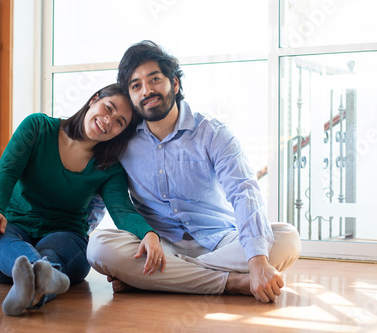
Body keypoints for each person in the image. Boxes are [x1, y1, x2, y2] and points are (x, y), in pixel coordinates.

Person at [87, 41, 301, 303]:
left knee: (287, 238)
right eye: (136, 86)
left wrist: (257, 261)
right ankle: (230, 282)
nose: (147, 91)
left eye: (155, 79)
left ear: (174, 84)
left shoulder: (213, 132)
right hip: (158, 245)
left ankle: (159, 279)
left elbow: (244, 191)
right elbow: (100, 194)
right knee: (99, 247)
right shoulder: (122, 141)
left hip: (220, 240)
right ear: (131, 97)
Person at [0, 83, 165, 316]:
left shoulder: (110, 167)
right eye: (108, 108)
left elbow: (122, 210)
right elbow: (6, 172)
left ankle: (31, 283)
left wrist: (149, 234)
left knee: (58, 251)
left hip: (65, 237)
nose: (108, 121)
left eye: (119, 122)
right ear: (94, 99)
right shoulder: (37, 127)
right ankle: (42, 280)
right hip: (14, 227)